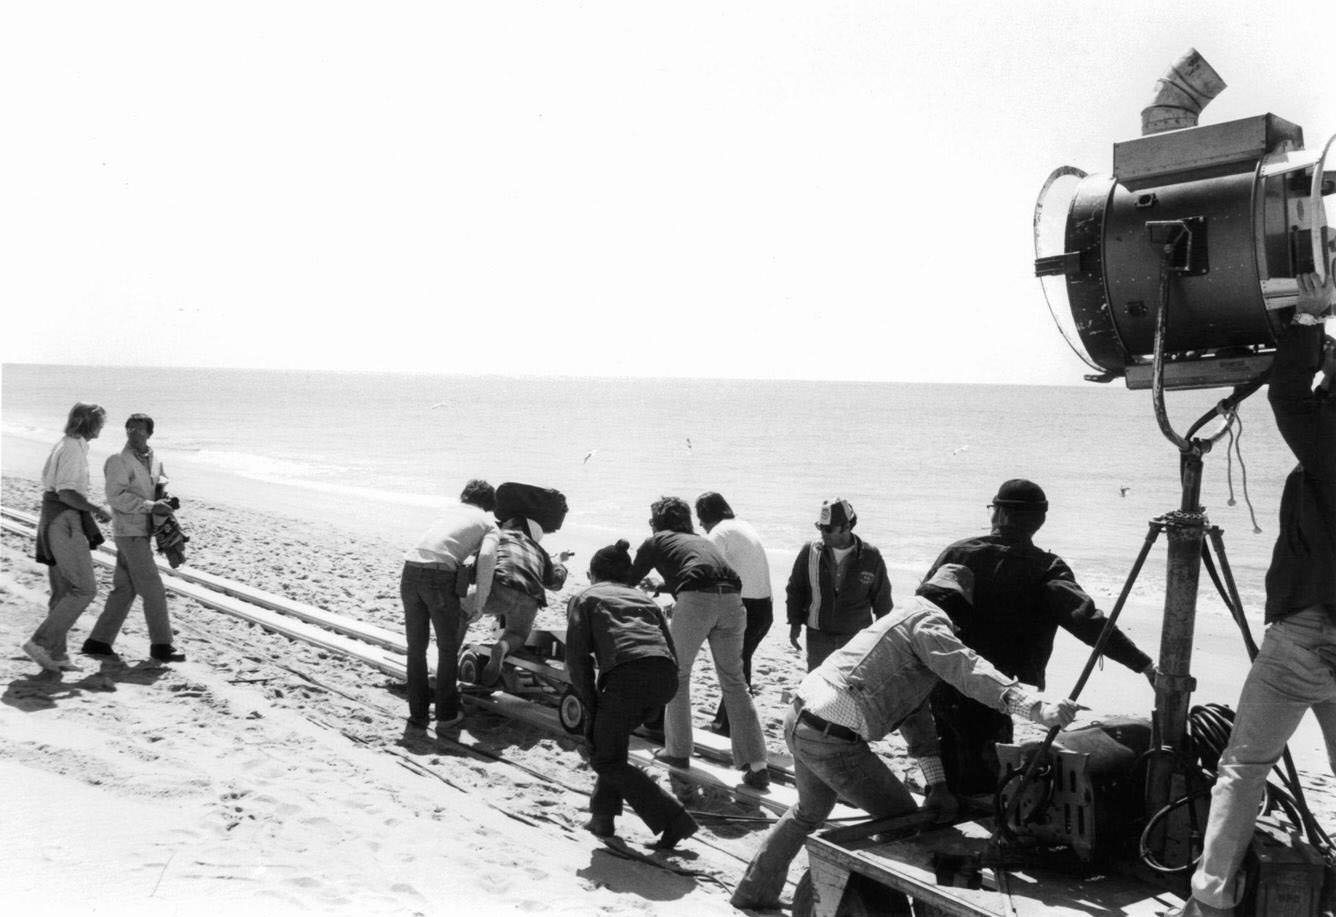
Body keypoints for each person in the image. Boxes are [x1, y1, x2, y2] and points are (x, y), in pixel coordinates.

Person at [730, 564, 1080, 911]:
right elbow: (967, 668)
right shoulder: (930, 622)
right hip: (831, 738)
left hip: (800, 719)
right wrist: (1035, 708)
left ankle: (753, 892)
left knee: (807, 812)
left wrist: (938, 785)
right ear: (958, 610)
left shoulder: (901, 623)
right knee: (904, 822)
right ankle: (907, 903)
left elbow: (916, 719)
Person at [1171, 268, 1336, 917]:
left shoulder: (1330, 442)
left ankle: (1209, 898)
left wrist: (1308, 321)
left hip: (1305, 633)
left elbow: (1290, 396)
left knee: (1244, 764)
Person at [924, 478, 1157, 795]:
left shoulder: (960, 553)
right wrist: (1143, 665)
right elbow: (1087, 621)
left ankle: (950, 800)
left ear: (1001, 515)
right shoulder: (1045, 567)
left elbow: (920, 611)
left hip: (946, 671)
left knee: (950, 746)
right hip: (999, 684)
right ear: (1040, 521)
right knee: (987, 760)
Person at [626, 496, 770, 789]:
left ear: (657, 522)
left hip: (697, 600)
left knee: (677, 674)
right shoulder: (701, 541)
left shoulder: (657, 540)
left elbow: (628, 578)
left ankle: (677, 753)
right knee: (734, 681)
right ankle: (758, 765)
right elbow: (704, 571)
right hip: (733, 599)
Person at [565, 539, 698, 850]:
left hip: (628, 676)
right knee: (611, 746)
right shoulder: (644, 599)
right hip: (664, 677)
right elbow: (668, 649)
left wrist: (591, 706)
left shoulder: (586, 597)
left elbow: (577, 660)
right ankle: (602, 818)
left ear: (593, 575)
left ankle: (675, 820)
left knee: (605, 757)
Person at [80, 413, 184, 663]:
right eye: (130, 428)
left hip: (145, 531)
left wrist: (166, 500)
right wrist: (151, 506)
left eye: (139, 429)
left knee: (125, 589)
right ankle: (161, 645)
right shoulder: (118, 460)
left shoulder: (155, 458)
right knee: (154, 588)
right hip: (129, 532)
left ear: (149, 433)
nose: (133, 432)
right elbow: (116, 497)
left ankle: (98, 641)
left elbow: (160, 485)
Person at [400, 479, 499, 733]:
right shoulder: (488, 523)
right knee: (447, 649)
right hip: (438, 578)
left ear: (464, 496)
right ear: (490, 505)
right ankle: (446, 715)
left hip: (410, 571)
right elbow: (487, 558)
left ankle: (418, 714)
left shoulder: (448, 512)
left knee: (416, 648)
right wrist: (480, 601)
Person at [23, 402, 113, 674]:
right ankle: (40, 642)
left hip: (52, 518)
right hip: (65, 521)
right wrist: (97, 508)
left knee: (62, 592)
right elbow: (66, 493)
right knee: (85, 589)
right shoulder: (73, 450)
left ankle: (57, 654)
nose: (101, 427)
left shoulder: (65, 444)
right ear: (88, 424)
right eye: (99, 422)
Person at [695, 491, 772, 737]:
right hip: (765, 607)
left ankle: (729, 726)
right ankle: (728, 723)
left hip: (747, 607)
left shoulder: (718, 532)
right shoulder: (741, 526)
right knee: (739, 666)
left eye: (701, 519)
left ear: (707, 516)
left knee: (733, 670)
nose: (701, 526)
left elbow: (704, 569)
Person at [785, 498, 893, 670]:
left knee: (852, 688)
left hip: (857, 638)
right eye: (821, 528)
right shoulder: (810, 551)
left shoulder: (871, 556)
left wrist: (885, 637)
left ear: (846, 527)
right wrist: (795, 622)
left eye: (828, 529)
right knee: (817, 684)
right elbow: (795, 589)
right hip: (817, 635)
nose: (823, 534)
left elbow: (882, 600)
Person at [477, 515, 571, 684]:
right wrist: (560, 563)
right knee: (518, 634)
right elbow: (554, 583)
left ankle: (450, 653)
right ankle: (503, 646)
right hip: (531, 595)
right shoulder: (539, 551)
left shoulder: (497, 535)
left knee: (462, 611)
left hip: (503, 585)